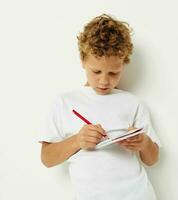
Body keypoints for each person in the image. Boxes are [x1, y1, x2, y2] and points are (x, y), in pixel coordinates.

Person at [39, 14, 162, 200]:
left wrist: (143, 143)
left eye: (114, 73)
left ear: (124, 64)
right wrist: (77, 141)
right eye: (96, 71)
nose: (104, 81)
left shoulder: (133, 103)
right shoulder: (65, 102)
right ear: (82, 61)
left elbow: (152, 159)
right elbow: (47, 159)